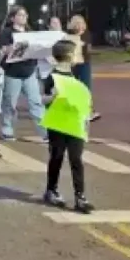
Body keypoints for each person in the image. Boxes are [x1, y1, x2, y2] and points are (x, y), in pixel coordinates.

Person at [41, 40, 94, 214]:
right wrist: (53, 97)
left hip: (75, 123)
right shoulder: (52, 77)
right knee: (56, 156)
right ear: (69, 56)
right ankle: (51, 190)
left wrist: (87, 116)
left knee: (76, 159)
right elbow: (43, 100)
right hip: (58, 124)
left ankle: (80, 196)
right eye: (77, 52)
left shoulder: (75, 76)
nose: (79, 55)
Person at [0, 6, 47, 141]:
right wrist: (13, 48)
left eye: (25, 15)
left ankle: (45, 132)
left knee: (36, 102)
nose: (23, 17)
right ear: (13, 18)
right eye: (20, 15)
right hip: (12, 73)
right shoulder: (6, 33)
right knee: (9, 104)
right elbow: (3, 49)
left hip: (29, 72)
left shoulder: (31, 32)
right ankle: (7, 129)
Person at [65, 15, 101, 121]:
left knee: (86, 87)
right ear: (73, 25)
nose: (80, 25)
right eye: (77, 23)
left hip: (84, 63)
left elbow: (89, 50)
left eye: (81, 23)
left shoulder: (86, 34)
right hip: (73, 64)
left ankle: (88, 111)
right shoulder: (68, 35)